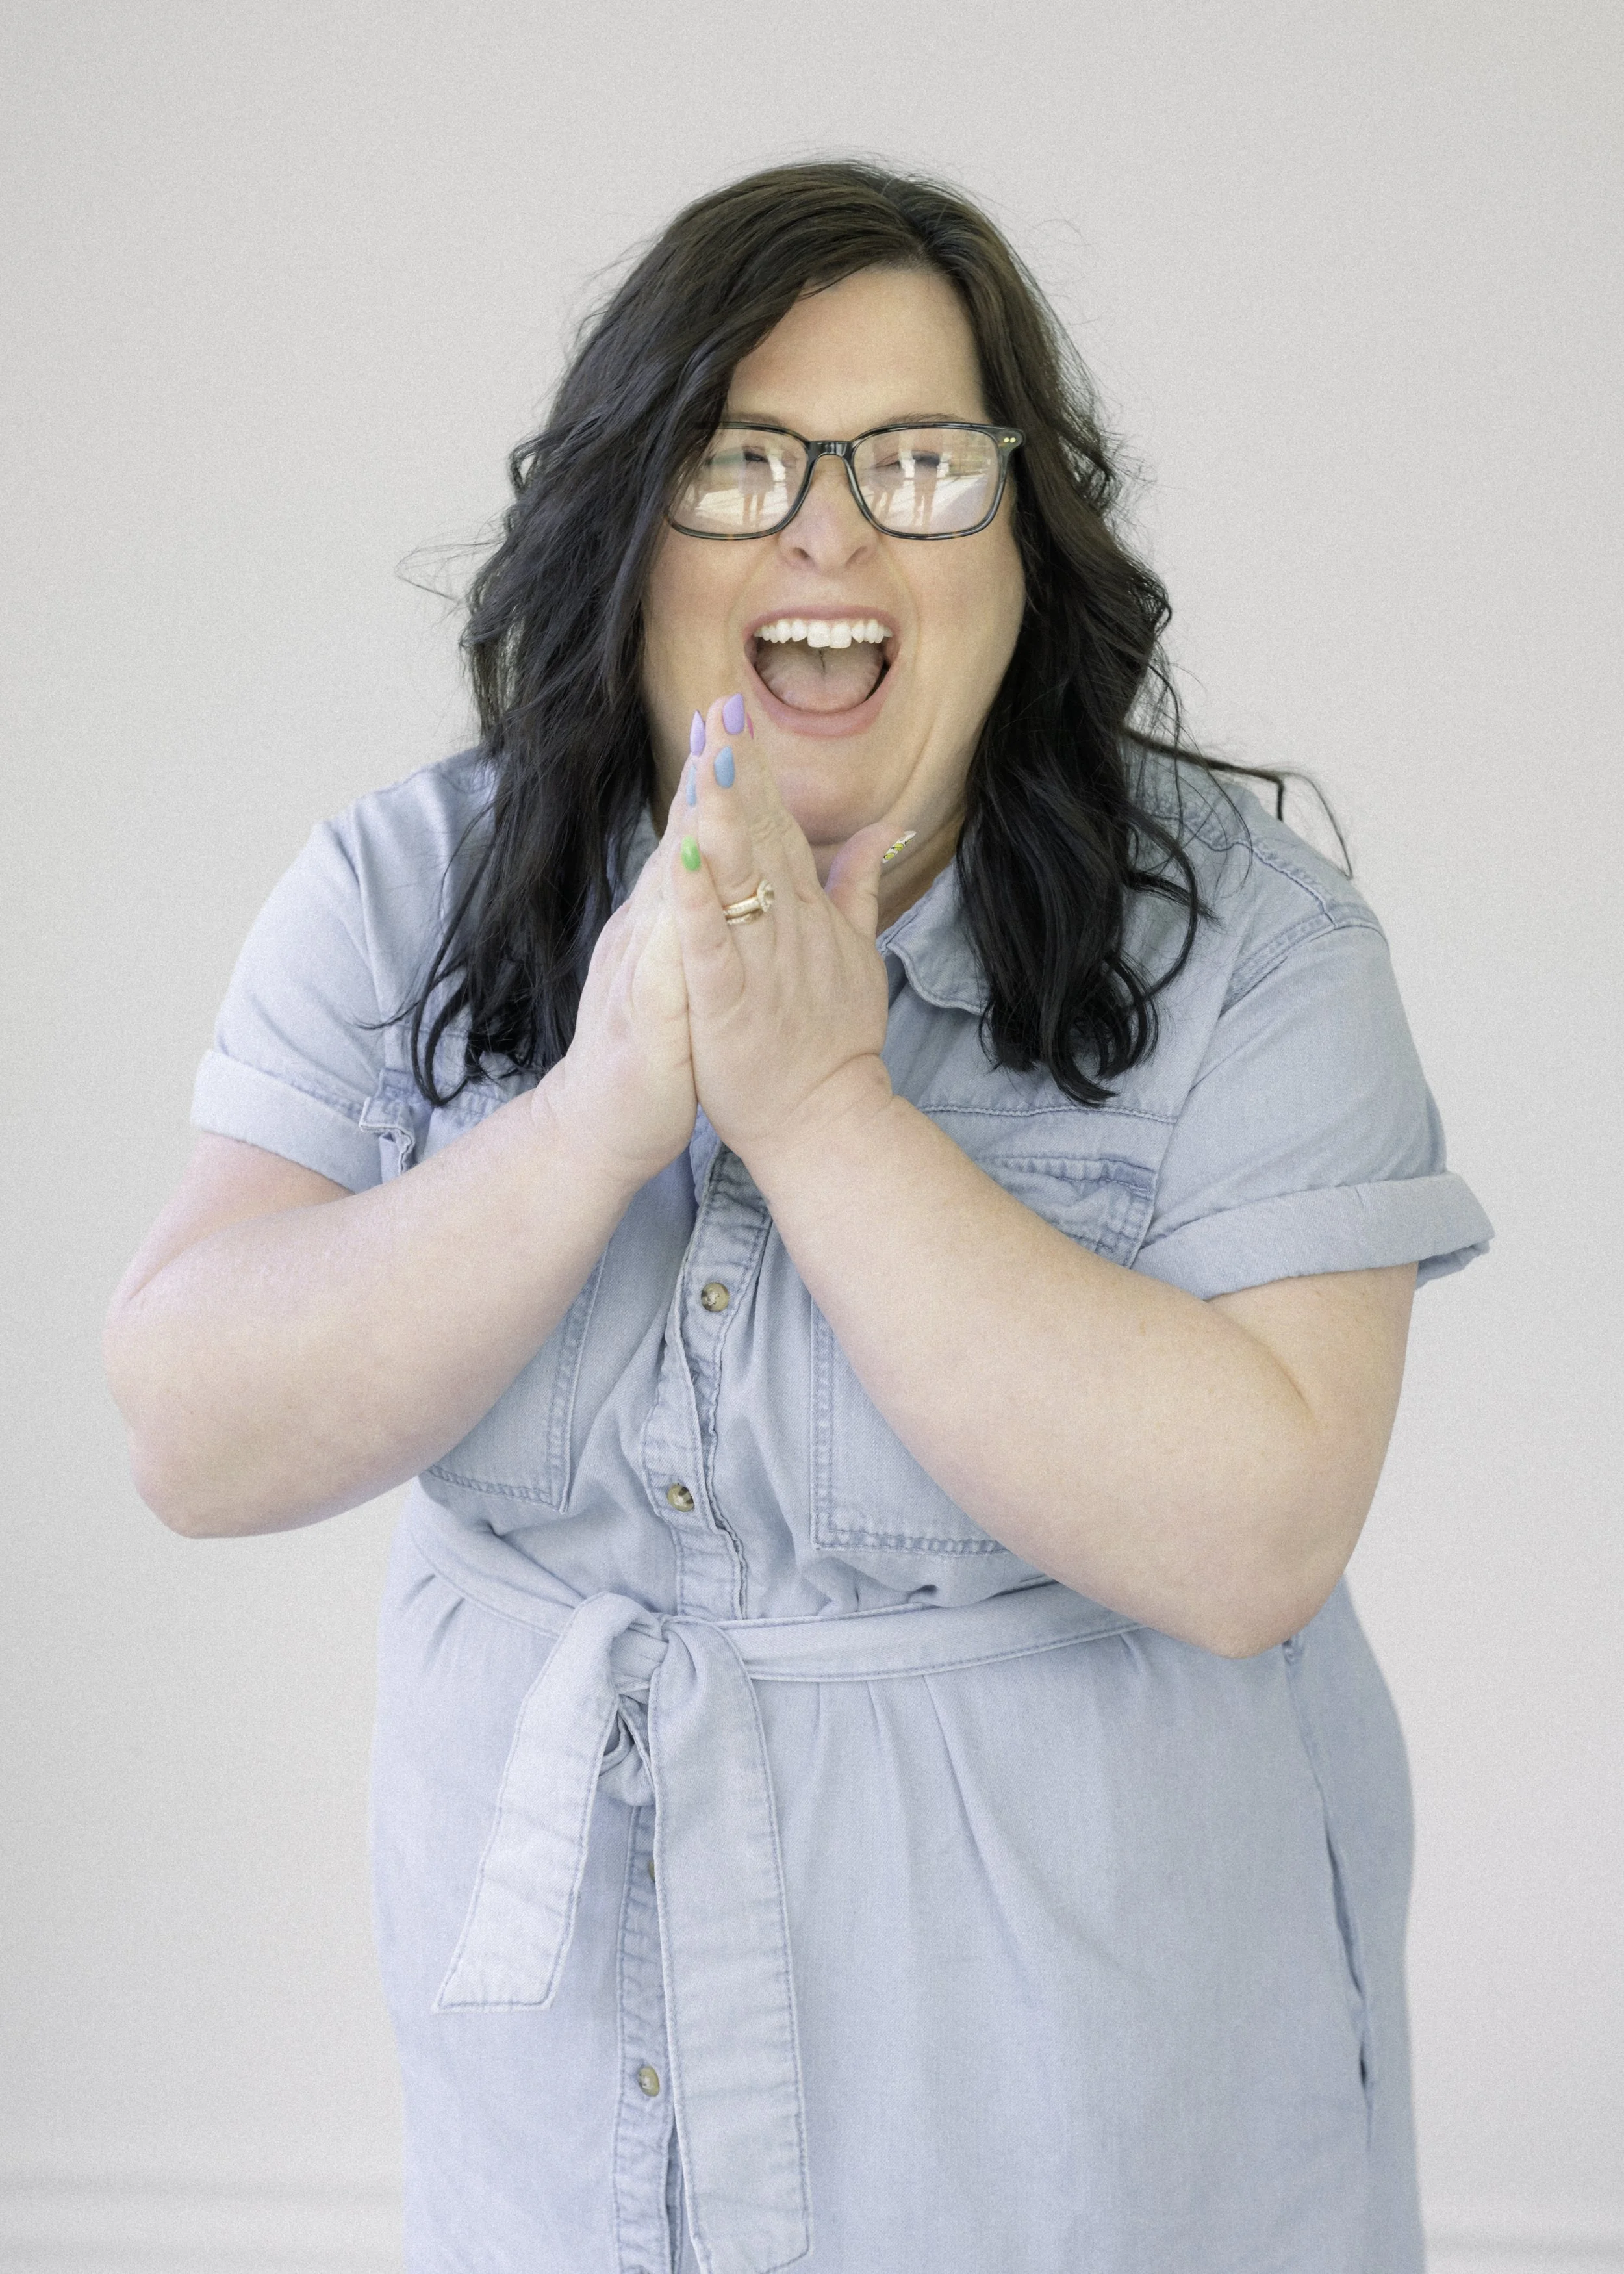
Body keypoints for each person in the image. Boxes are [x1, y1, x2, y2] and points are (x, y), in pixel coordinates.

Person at [103, 160, 1492, 2274]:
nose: (829, 535)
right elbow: (191, 1428)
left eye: (919, 465)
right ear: (629, 523)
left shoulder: (1256, 952)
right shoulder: (402, 894)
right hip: (581, 2141)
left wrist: (822, 1110)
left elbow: (1252, 1536)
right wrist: (596, 1113)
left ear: (1020, 545)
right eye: (742, 464)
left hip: (1093, 2150)